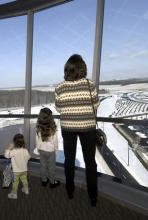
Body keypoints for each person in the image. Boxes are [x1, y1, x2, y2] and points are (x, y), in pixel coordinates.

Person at [55, 54, 100, 206]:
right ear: (82, 68)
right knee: (90, 162)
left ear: (67, 69)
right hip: (87, 127)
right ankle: (93, 196)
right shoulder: (90, 84)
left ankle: (69, 190)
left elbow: (58, 108)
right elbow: (95, 105)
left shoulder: (60, 87)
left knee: (69, 160)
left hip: (68, 127)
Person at [36, 107, 60, 188]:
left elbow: (37, 140)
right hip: (50, 151)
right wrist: (56, 149)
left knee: (43, 166)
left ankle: (44, 180)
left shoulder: (38, 127)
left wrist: (38, 148)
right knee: (51, 167)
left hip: (41, 150)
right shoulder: (53, 129)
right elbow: (55, 141)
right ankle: (52, 182)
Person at [4, 134, 30, 199]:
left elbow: (6, 156)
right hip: (24, 170)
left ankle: (14, 194)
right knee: (24, 180)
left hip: (16, 171)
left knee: (15, 182)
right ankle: (26, 190)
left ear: (14, 142)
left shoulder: (14, 151)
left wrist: (8, 149)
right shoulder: (25, 150)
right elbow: (28, 157)